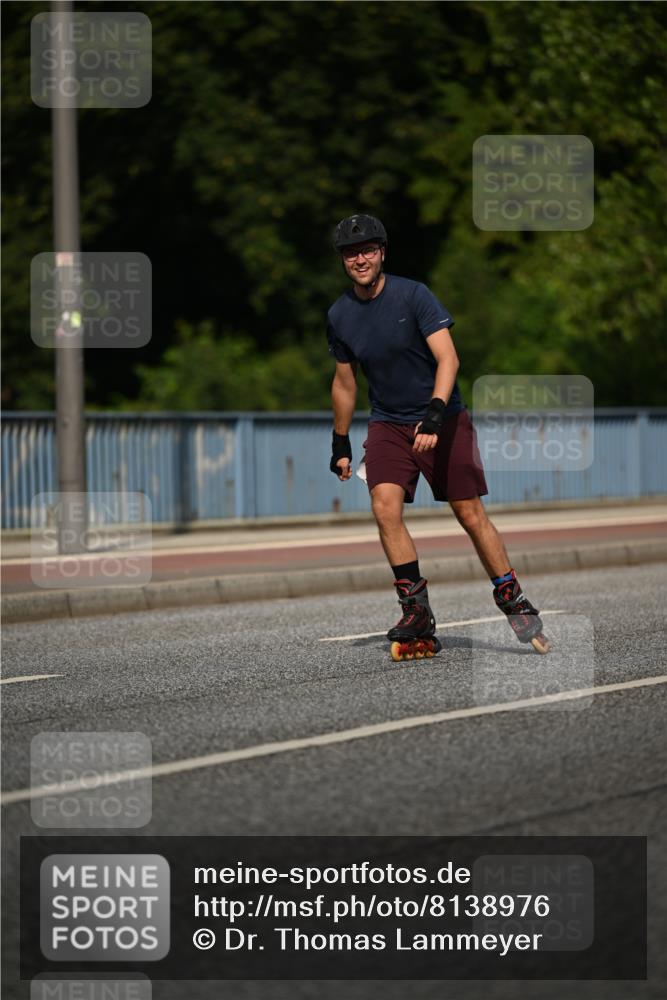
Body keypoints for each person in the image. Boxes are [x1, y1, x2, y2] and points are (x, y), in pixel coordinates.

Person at [326, 213, 549, 658]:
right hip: (388, 422)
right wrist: (340, 442)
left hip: (441, 417)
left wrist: (433, 416)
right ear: (344, 261)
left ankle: (512, 598)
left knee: (469, 513)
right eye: (352, 253)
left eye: (368, 249)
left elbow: (448, 359)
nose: (361, 259)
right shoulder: (339, 315)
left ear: (382, 252)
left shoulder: (414, 296)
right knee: (383, 505)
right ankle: (416, 611)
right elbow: (345, 383)